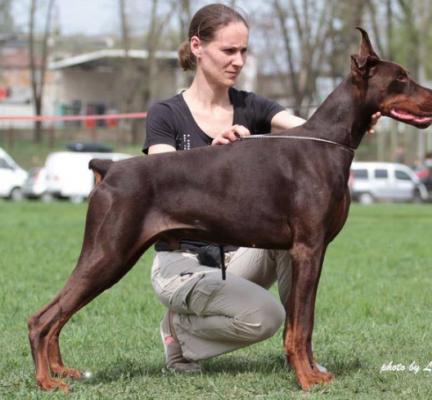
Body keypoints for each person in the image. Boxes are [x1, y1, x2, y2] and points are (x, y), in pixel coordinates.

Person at [143, 3, 380, 373]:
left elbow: (315, 132)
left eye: (244, 51)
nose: (238, 61)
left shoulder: (253, 106)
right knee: (264, 317)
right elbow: (159, 179)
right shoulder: (166, 114)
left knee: (299, 236)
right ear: (197, 46)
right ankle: (180, 332)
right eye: (228, 50)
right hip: (182, 263)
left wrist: (360, 113)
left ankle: (300, 352)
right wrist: (212, 155)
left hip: (236, 259)